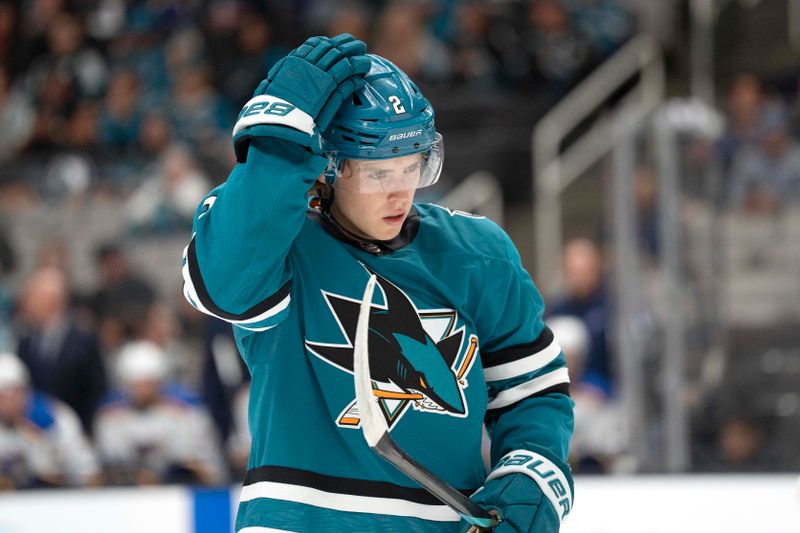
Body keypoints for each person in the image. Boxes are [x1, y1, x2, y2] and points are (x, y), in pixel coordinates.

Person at [181, 34, 574, 532]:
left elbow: (533, 393)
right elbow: (220, 282)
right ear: (326, 168)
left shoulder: (476, 253)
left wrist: (531, 474)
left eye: (412, 167)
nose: (399, 192)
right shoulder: (282, 248)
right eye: (377, 173)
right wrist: (279, 143)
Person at [93, 340, 228, 486]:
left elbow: (209, 468)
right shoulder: (110, 419)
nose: (143, 391)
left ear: (160, 382)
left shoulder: (186, 415)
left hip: (179, 488)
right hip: (127, 494)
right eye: (137, 384)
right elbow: (107, 465)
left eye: (148, 383)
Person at [0, 352, 101, 489]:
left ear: (26, 391)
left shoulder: (55, 418)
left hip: (56, 498)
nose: (8, 402)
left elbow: (88, 473)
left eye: (14, 393)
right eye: (2, 396)